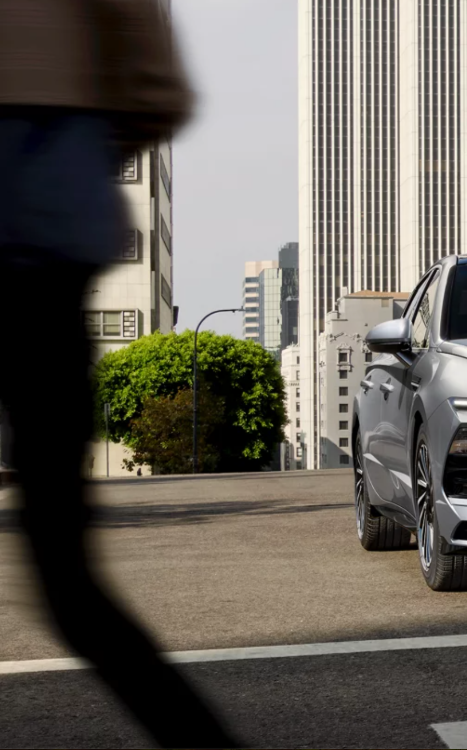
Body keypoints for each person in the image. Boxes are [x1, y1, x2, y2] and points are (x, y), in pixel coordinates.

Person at [0, 1, 236, 746]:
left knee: (69, 585)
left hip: (41, 200)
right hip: (50, 208)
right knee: (68, 585)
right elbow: (155, 86)